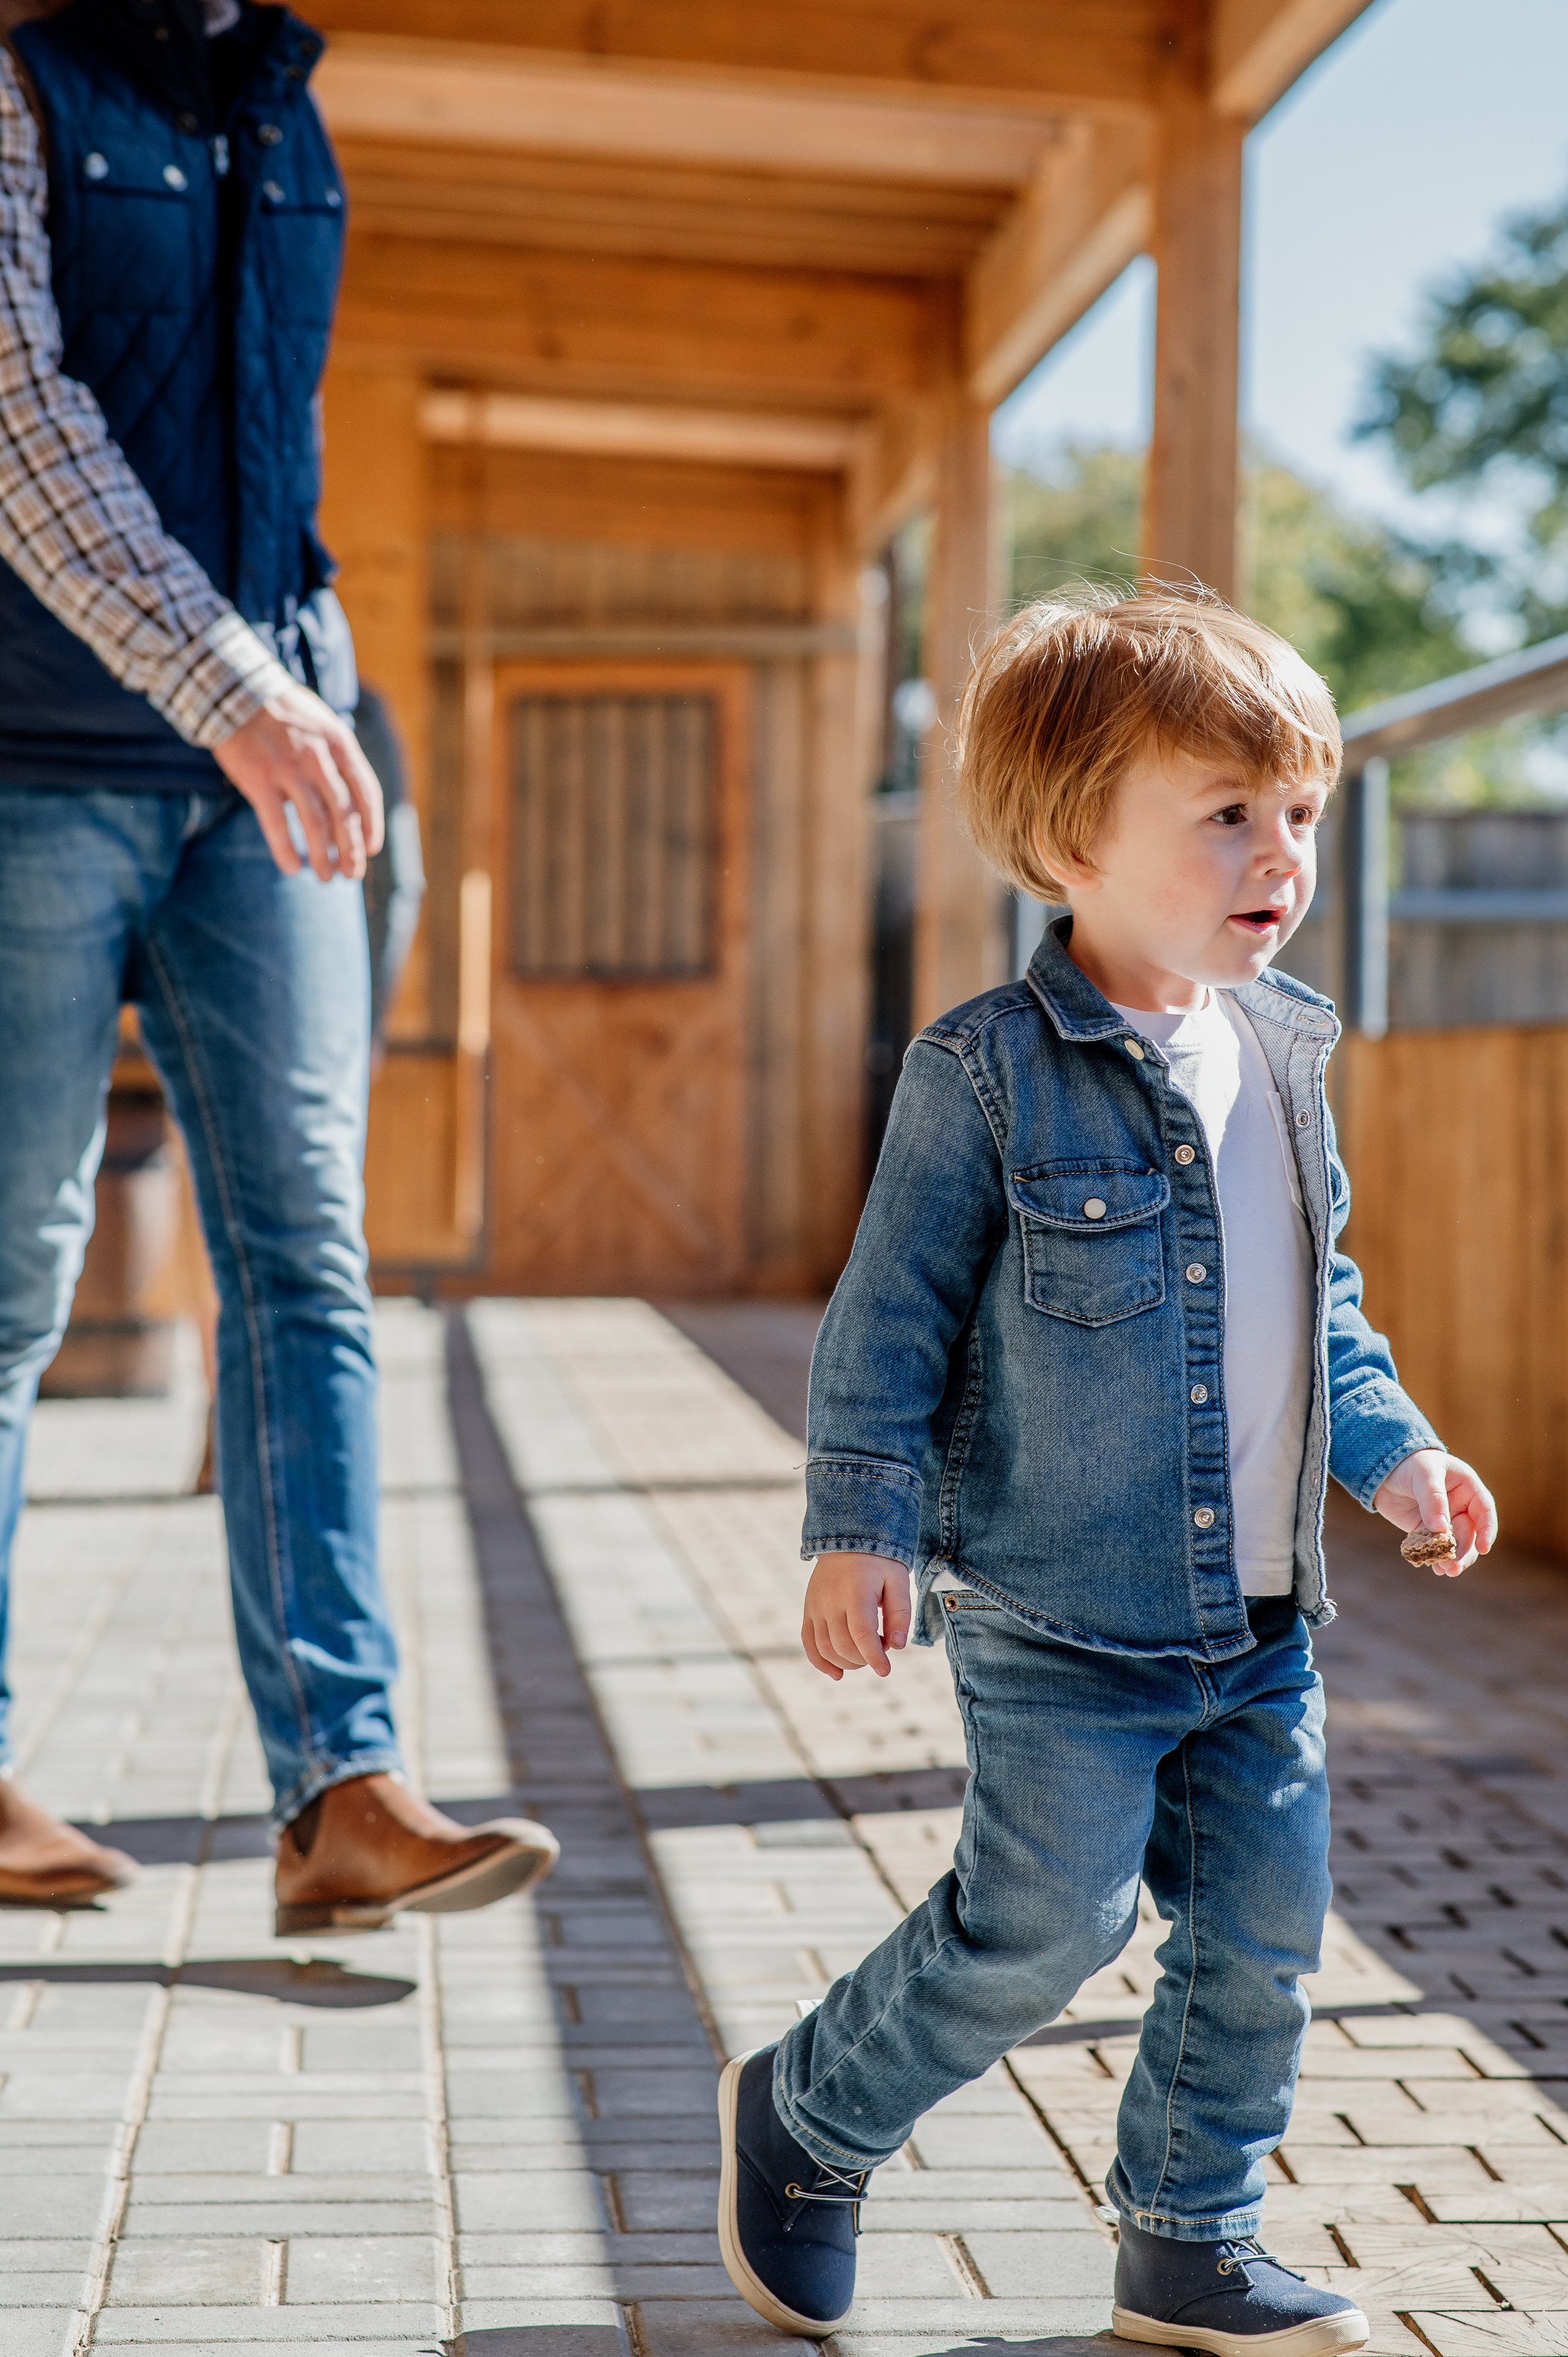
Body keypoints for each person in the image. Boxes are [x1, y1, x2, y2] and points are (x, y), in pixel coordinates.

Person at [716, 592, 1497, 2356]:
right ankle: (808, 2115)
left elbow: (1321, 1309)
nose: (1279, 851)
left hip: (1260, 1622)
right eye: (1225, 812)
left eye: (1299, 810)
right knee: (1042, 1926)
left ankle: (1189, 2241)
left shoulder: (1284, 1057)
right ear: (1074, 842)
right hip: (1059, 1616)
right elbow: (887, 1320)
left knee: (1259, 1942)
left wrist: (1399, 1455)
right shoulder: (981, 1074)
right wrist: (860, 1529)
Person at [0, 0, 557, 1928]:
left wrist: (316, 675)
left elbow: (262, 445)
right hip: (34, 763)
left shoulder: (286, 112)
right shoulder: (20, 92)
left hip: (260, 770)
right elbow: (23, 432)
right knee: (9, 1275)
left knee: (311, 1259)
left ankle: (345, 1788)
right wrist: (240, 686)